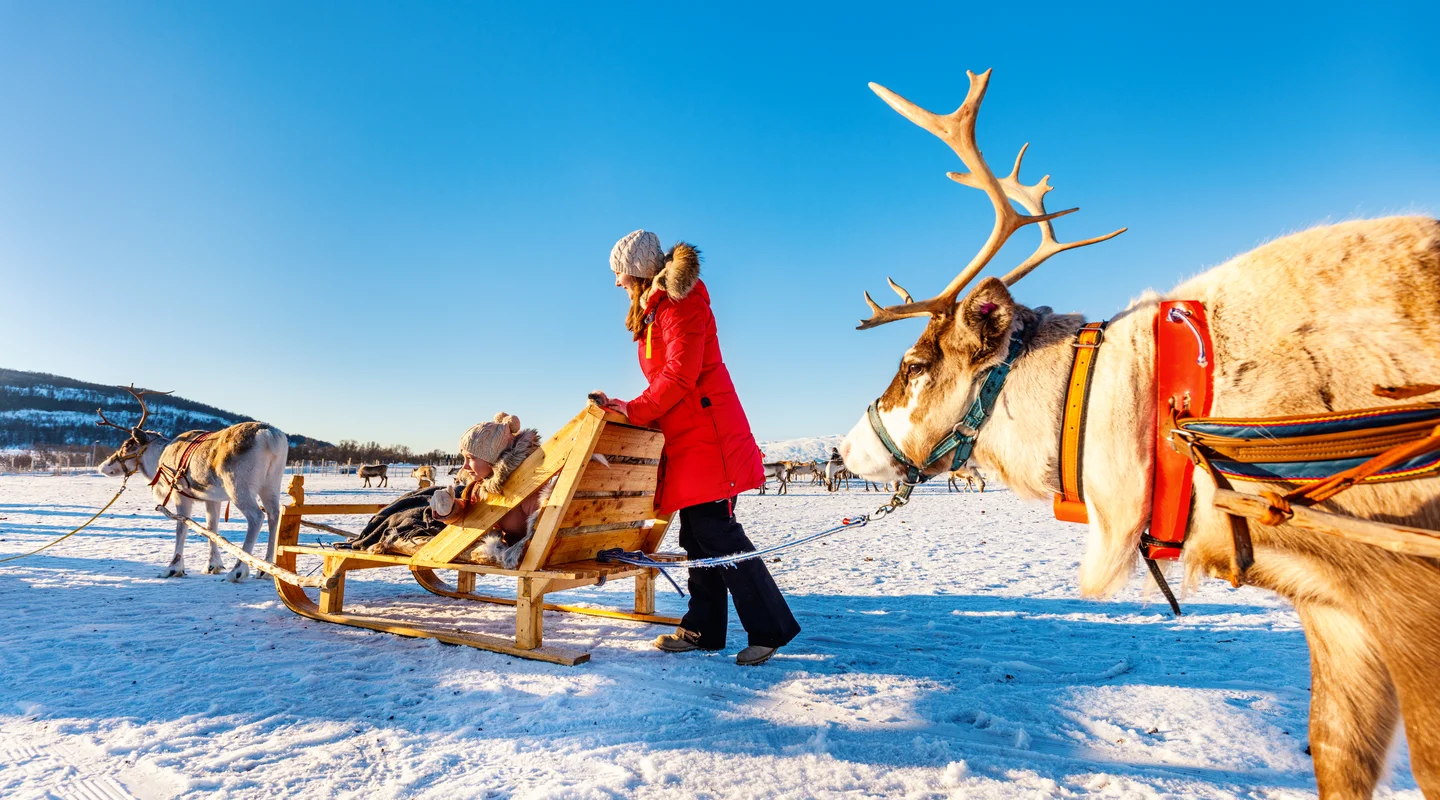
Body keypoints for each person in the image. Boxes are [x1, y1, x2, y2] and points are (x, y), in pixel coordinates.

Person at [593, 229, 800, 666]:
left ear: (639, 269)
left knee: (719, 535)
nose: (617, 283)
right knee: (699, 538)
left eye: (620, 273)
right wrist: (631, 408)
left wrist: (634, 409)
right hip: (689, 438)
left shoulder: (680, 304)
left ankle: (770, 629)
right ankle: (702, 629)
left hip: (711, 437)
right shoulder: (656, 311)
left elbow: (681, 376)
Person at [339, 413, 549, 569]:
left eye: (471, 459)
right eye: (464, 459)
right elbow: (470, 513)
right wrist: (450, 509)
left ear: (495, 458)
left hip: (530, 553)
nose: (465, 467)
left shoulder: (527, 487)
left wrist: (523, 549)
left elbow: (543, 522)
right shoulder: (481, 486)